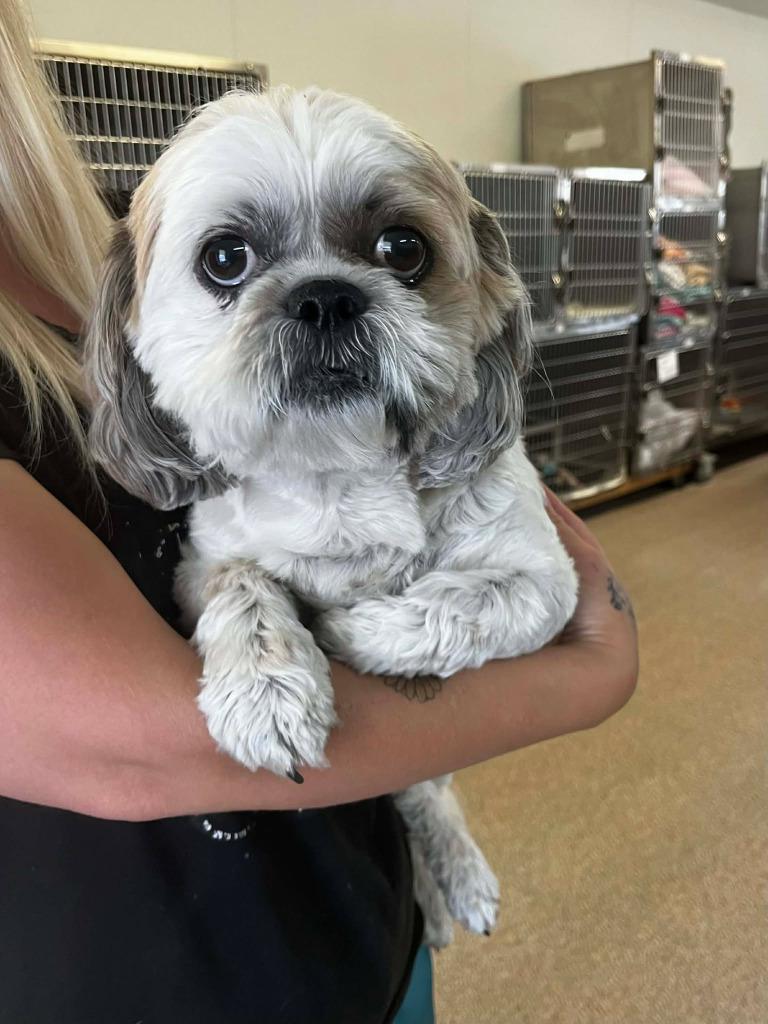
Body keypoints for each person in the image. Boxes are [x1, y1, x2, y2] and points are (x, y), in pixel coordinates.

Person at [0, 2, 638, 1021]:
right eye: (228, 263)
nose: (326, 303)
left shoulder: (68, 254)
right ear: (137, 326)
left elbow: (535, 573)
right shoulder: (112, 290)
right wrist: (592, 671)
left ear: (483, 302)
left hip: (361, 925)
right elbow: (140, 745)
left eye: (399, 250)